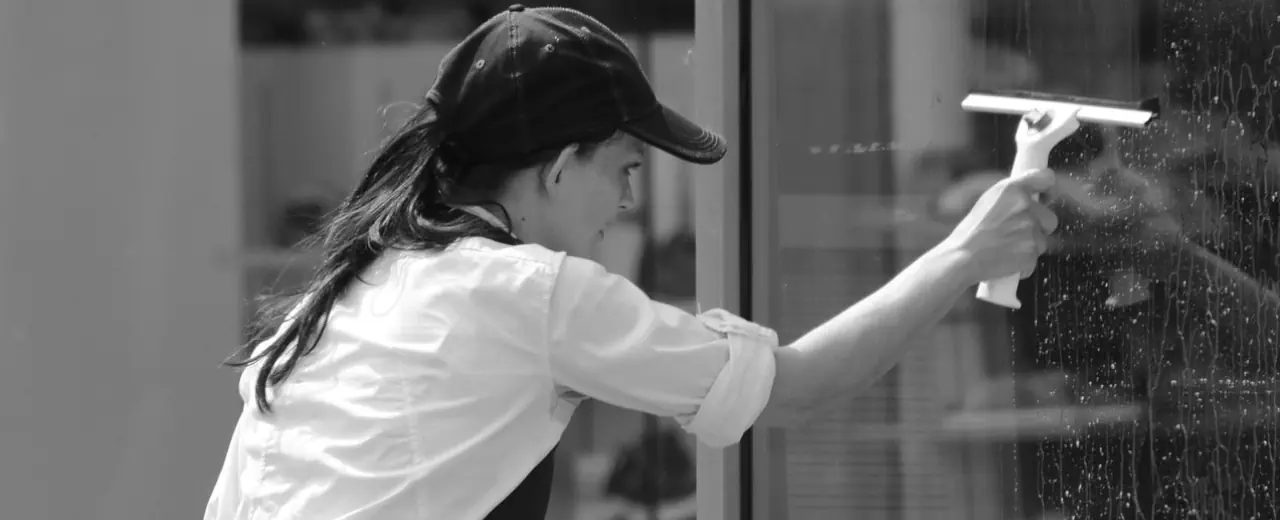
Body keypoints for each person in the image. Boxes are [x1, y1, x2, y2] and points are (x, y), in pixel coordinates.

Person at [204, 5, 1060, 520]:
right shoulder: (527, 290)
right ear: (558, 166)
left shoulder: (353, 287)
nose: (627, 204)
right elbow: (800, 390)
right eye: (624, 169)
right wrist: (965, 253)